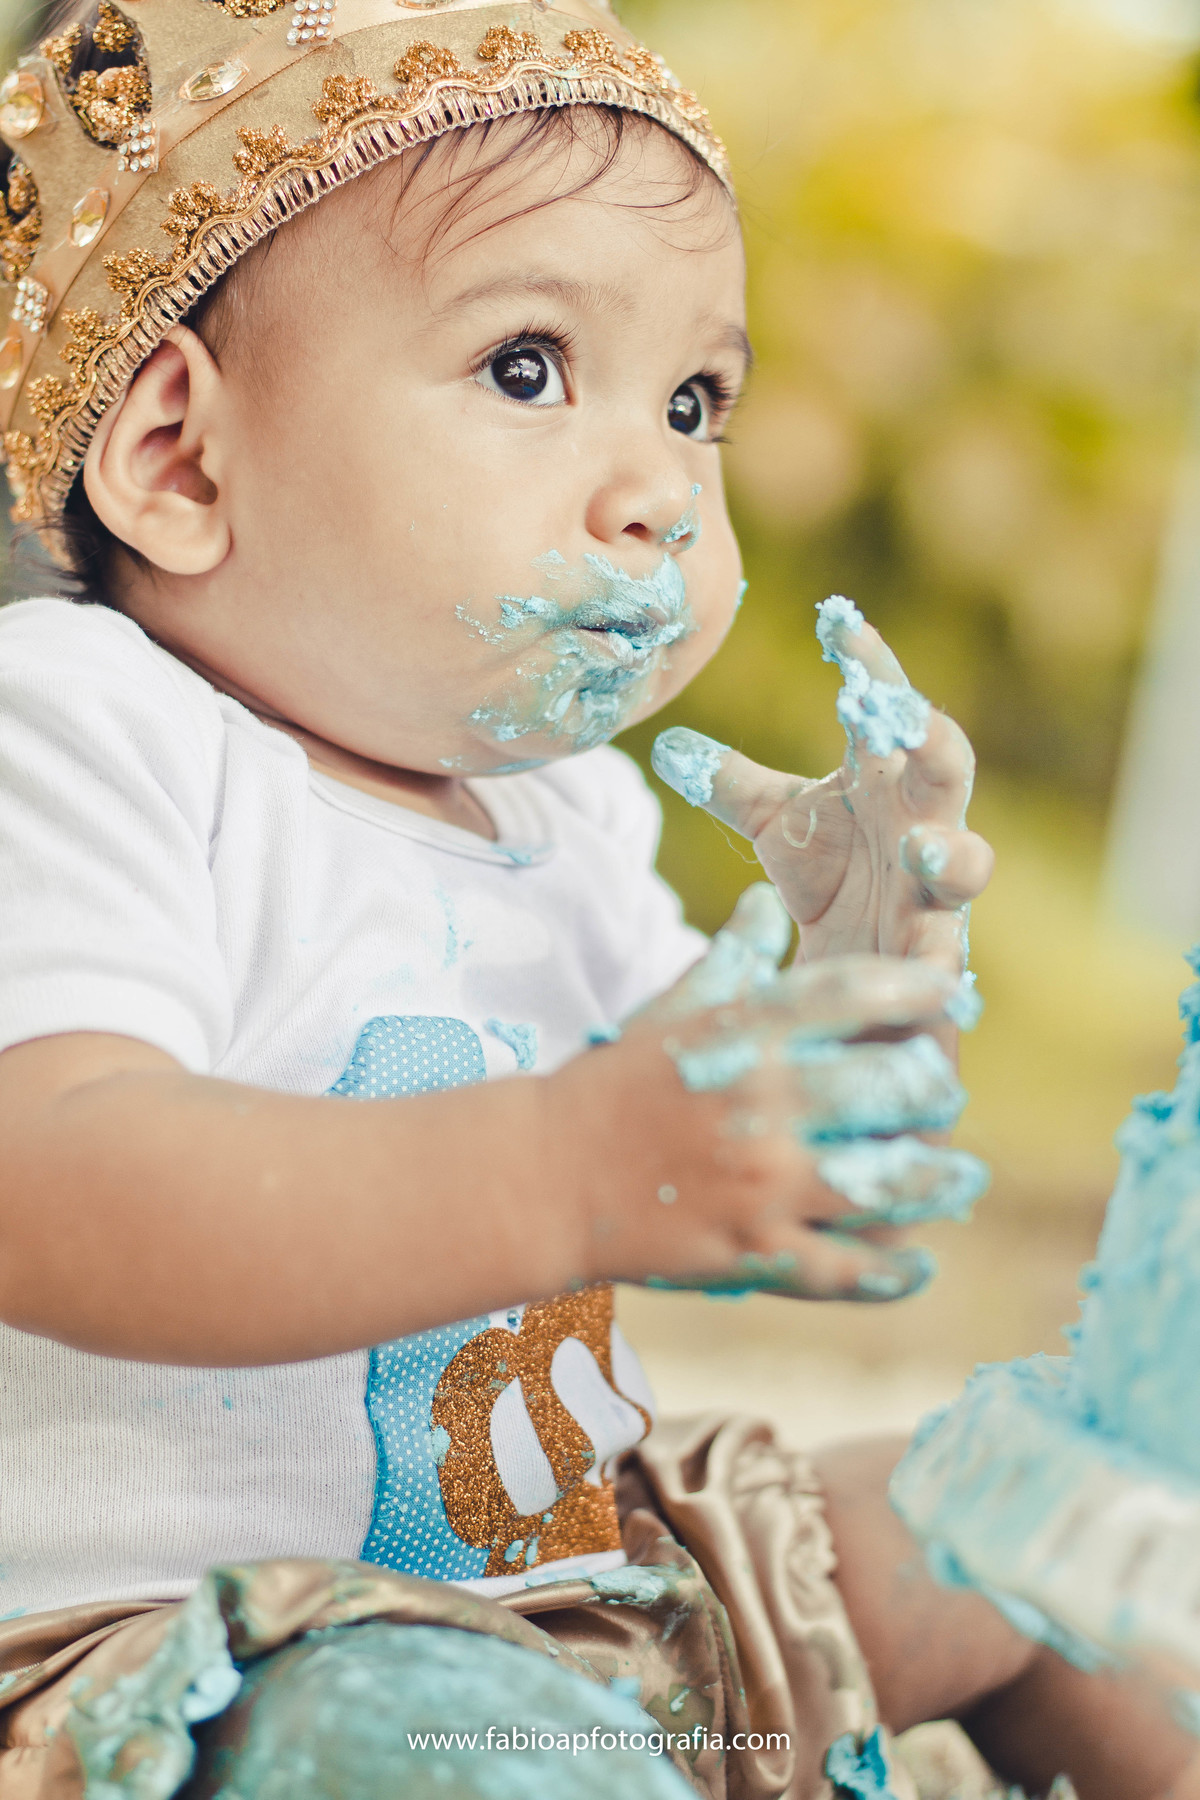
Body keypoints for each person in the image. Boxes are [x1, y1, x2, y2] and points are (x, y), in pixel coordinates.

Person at [0, 2, 1194, 1796]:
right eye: (530, 368)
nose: (660, 493)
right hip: (195, 1668)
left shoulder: (568, 819)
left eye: (696, 401)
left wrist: (852, 989)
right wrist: (560, 1168)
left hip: (586, 1605)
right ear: (181, 458)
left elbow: (703, 1174)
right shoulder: (94, 737)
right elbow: (51, 1177)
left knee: (1027, 1514)